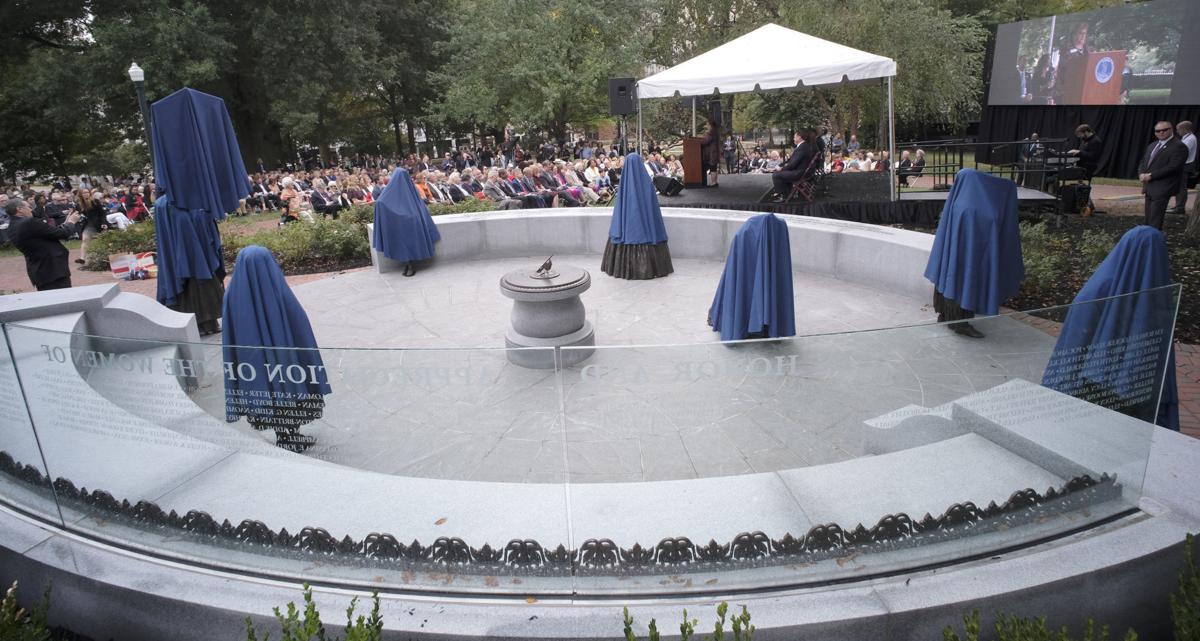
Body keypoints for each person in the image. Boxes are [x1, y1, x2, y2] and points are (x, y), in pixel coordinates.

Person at [223, 245, 331, 453]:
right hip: (285, 361)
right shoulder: (276, 290)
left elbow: (231, 337)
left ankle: (284, 435)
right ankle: (291, 433)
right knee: (289, 388)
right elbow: (299, 324)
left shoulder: (232, 296)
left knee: (267, 391)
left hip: (254, 365)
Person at [923, 169, 1024, 339]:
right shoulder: (974, 208)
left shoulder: (959, 201)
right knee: (962, 280)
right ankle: (959, 323)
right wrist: (1009, 189)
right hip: (969, 256)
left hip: (957, 255)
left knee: (950, 277)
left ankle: (945, 314)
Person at [6, 198, 82, 291]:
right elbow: (62, 234)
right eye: (29, 207)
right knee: (62, 299)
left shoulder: (12, 226)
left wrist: (65, 223)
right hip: (51, 269)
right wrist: (71, 222)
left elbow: (49, 233)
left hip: (39, 270)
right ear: (19, 209)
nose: (31, 210)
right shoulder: (29, 222)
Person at [1137, 121, 1188, 230]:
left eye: (1164, 130)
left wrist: (1152, 175)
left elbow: (1174, 167)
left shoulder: (1179, 146)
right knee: (1148, 218)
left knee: (1155, 220)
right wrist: (1141, 173)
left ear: (1171, 129)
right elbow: (1144, 162)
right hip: (1149, 187)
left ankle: (1154, 242)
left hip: (1163, 187)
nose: (1161, 132)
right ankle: (1147, 240)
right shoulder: (1153, 145)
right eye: (1158, 131)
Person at [770, 131, 813, 202]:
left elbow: (793, 164)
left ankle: (782, 196)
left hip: (799, 173)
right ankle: (787, 194)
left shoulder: (802, 148)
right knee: (781, 173)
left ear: (799, 137)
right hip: (802, 171)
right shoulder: (805, 146)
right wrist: (783, 166)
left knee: (776, 175)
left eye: (794, 137)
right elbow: (792, 161)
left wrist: (782, 168)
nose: (793, 139)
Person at [1170, 121, 1196, 214]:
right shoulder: (1187, 138)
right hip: (1183, 165)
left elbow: (1182, 152)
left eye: (1178, 129)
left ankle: (1180, 208)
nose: (1177, 131)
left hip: (1184, 165)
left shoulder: (1190, 139)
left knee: (1181, 187)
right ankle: (1178, 206)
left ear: (1185, 129)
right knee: (1179, 186)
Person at [699, 118, 722, 186]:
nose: (706, 125)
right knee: (713, 167)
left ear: (710, 124)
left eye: (707, 124)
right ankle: (714, 181)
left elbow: (705, 141)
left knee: (712, 167)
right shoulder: (715, 131)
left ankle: (713, 182)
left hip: (712, 153)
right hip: (714, 151)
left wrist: (699, 141)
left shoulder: (711, 132)